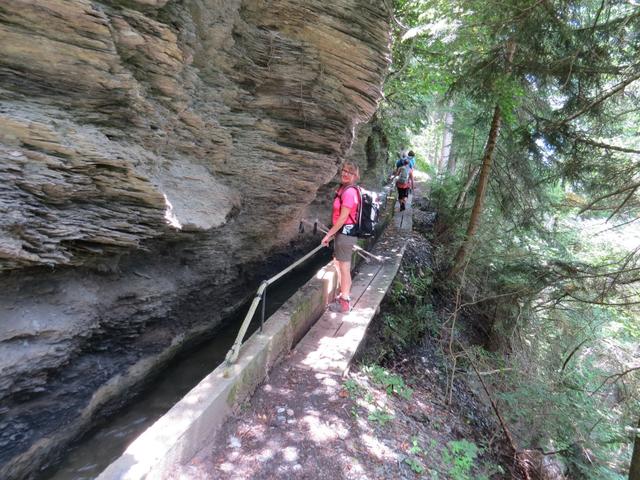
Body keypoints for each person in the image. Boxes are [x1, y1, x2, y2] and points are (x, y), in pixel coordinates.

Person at [321, 162, 360, 313]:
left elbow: (343, 218)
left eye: (349, 172)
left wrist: (328, 235)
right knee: (339, 264)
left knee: (344, 268)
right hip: (343, 234)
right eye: (344, 170)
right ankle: (344, 295)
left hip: (345, 235)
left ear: (355, 176)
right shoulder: (344, 189)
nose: (345, 173)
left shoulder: (349, 192)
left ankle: (344, 302)